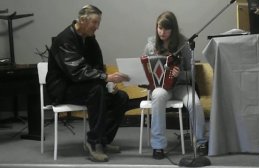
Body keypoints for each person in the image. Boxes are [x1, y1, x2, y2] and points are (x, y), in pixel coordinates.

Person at [46, 4, 129, 162]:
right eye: (95, 23)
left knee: (121, 97)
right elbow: (76, 72)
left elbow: (97, 65)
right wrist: (106, 78)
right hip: (63, 89)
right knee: (96, 90)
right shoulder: (64, 39)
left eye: (98, 23)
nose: (97, 27)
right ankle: (93, 142)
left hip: (84, 86)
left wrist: (109, 84)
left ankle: (103, 140)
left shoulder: (89, 38)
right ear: (83, 20)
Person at [143, 11, 208, 160]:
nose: (162, 32)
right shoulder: (151, 45)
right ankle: (158, 146)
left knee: (195, 103)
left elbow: (193, 73)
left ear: (173, 29)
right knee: (158, 96)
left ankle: (201, 142)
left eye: (166, 29)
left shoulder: (183, 44)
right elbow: (145, 69)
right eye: (159, 28)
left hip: (180, 86)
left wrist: (181, 74)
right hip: (161, 87)